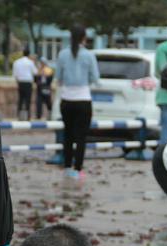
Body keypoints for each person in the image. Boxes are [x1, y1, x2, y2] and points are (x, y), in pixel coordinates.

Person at [56, 26, 99, 182]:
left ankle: (67, 168)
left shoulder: (62, 55)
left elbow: (58, 77)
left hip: (66, 99)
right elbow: (95, 78)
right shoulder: (89, 55)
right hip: (83, 99)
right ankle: (78, 169)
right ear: (84, 38)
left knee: (67, 135)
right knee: (81, 137)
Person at [13, 48, 38, 121]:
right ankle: (28, 117)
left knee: (20, 100)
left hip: (20, 83)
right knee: (28, 100)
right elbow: (35, 72)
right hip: (28, 83)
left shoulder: (16, 62)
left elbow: (15, 75)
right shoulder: (30, 62)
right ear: (29, 54)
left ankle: (19, 116)